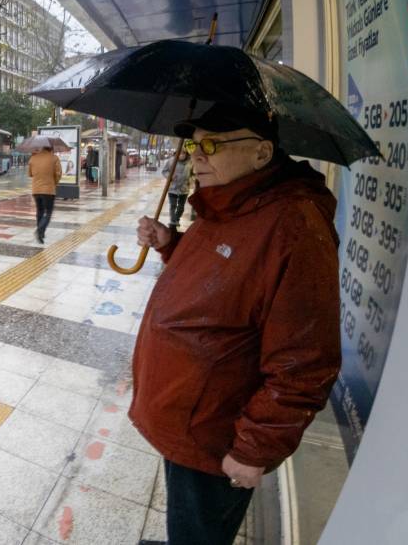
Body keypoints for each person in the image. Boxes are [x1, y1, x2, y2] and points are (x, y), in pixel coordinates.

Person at [131, 104, 340, 545]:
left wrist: (256, 446)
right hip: (188, 421)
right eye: (193, 145)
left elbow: (306, 360)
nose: (196, 157)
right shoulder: (230, 203)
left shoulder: (294, 226)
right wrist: (172, 244)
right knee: (185, 524)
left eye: (210, 145)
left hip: (218, 438)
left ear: (262, 152)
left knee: (199, 534)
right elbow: (229, 274)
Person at [27, 145, 62, 244]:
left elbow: (29, 174)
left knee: (39, 211)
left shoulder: (33, 158)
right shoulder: (54, 158)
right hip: (48, 190)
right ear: (51, 148)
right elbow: (58, 174)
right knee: (48, 212)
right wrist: (54, 182)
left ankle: (41, 233)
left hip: (36, 190)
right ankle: (40, 230)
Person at [162, 149, 192, 229]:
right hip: (173, 188)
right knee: (173, 205)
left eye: (184, 153)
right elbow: (164, 171)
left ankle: (176, 219)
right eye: (180, 153)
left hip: (184, 188)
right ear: (176, 153)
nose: (182, 155)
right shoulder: (171, 161)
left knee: (181, 207)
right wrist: (170, 176)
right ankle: (173, 221)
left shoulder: (190, 162)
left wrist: (190, 180)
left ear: (186, 154)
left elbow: (194, 174)